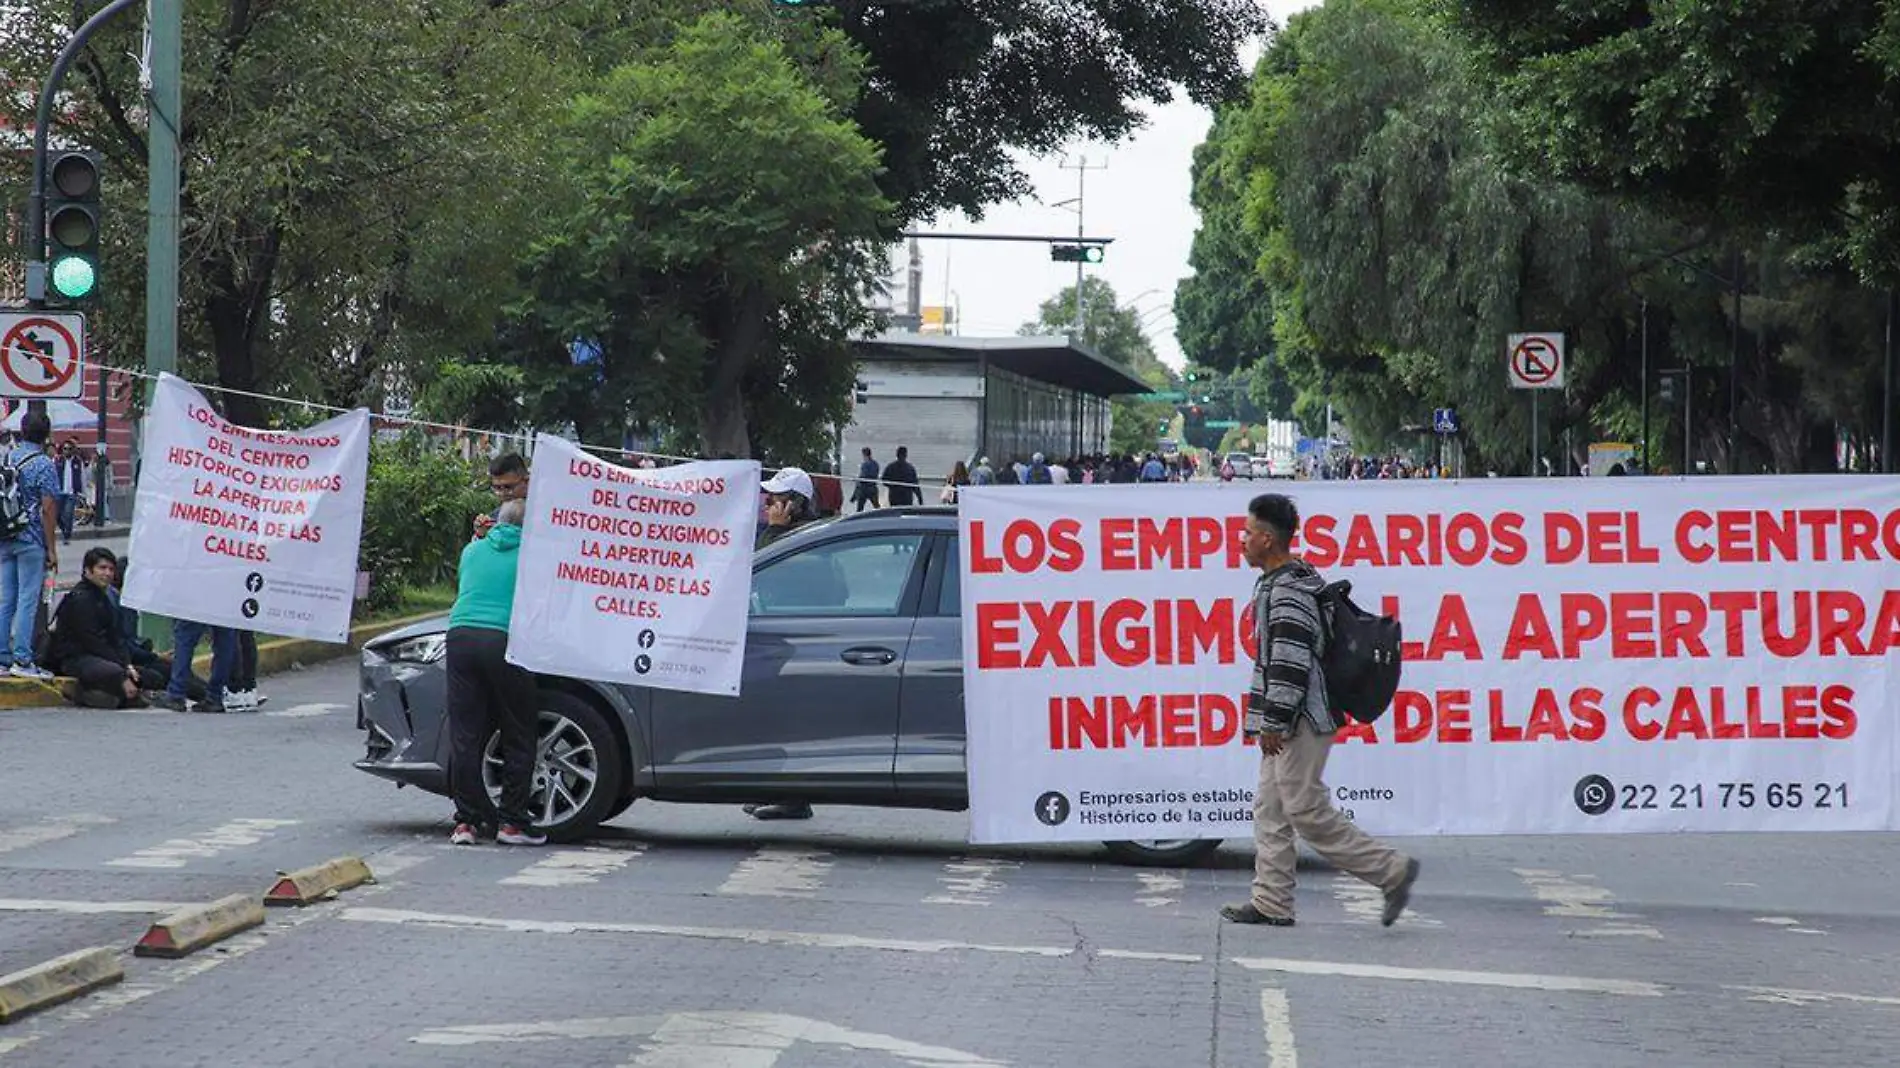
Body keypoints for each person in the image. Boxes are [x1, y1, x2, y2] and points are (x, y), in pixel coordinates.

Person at [1222, 493, 1420, 928]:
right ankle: (1272, 901)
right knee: (1271, 808)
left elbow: (1290, 661)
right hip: (1293, 718)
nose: (1241, 540)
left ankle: (1391, 870)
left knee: (1305, 810)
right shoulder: (1283, 582)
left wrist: (1273, 721)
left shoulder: (1289, 592)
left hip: (1300, 720)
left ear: (1268, 540)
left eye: (1247, 532)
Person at [446, 497, 543, 846]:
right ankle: (511, 822)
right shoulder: (533, 557)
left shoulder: (472, 552)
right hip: (504, 639)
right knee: (518, 730)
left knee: (465, 734)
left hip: (460, 636)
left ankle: (466, 824)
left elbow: (464, 585)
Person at [41, 547, 143, 709]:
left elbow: (116, 637)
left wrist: (127, 664)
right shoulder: (81, 599)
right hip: (76, 659)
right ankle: (89, 695)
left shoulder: (105, 597)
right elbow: (92, 641)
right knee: (114, 672)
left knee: (149, 674)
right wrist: (122, 672)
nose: (107, 574)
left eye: (111, 569)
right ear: (88, 571)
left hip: (101, 656)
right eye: (102, 568)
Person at [1, 410, 61, 679]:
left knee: (6, 599)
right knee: (28, 599)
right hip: (31, 538)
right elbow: (48, 508)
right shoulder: (44, 464)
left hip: (6, 536)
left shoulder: (8, 457)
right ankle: (23, 658)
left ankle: (2, 655)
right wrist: (51, 547)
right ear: (46, 434)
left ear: (22, 431)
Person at [473, 452, 530, 540]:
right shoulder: (494, 518)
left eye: (508, 487)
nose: (502, 493)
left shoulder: (545, 515)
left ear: (526, 481)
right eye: (497, 488)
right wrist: (482, 535)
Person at [756, 467, 816, 549]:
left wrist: (775, 528)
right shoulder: (783, 526)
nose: (769, 500)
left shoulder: (806, 533)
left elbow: (763, 555)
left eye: (778, 494)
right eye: (770, 494)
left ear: (797, 500)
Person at [853, 447, 881, 512]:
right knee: (876, 506)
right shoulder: (875, 464)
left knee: (860, 508)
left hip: (864, 488)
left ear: (864, 454)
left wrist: (857, 479)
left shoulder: (865, 464)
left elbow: (864, 476)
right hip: (873, 487)